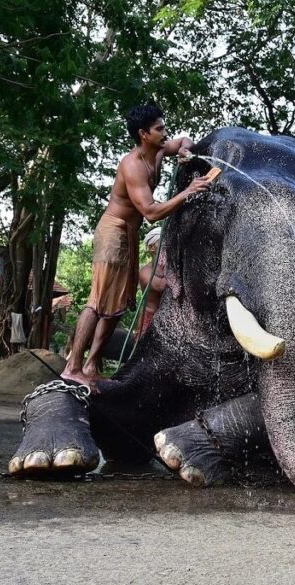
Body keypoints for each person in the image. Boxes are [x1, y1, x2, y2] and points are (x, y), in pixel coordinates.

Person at [61, 103, 213, 389]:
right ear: (144, 134)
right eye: (159, 129)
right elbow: (152, 212)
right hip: (113, 231)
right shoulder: (132, 165)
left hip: (129, 235)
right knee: (97, 302)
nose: (165, 133)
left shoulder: (158, 150)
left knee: (117, 306)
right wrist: (189, 192)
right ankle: (72, 367)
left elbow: (183, 141)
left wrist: (185, 150)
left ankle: (92, 365)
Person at [137, 226, 168, 337]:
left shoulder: (171, 266)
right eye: (162, 240)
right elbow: (161, 286)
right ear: (152, 247)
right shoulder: (145, 272)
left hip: (169, 318)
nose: (166, 243)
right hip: (151, 319)